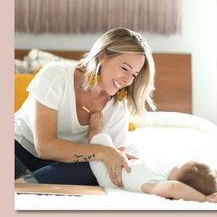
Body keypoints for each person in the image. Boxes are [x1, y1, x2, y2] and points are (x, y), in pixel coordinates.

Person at [15, 28, 156, 186]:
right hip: (18, 150)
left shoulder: (118, 107)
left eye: (134, 75)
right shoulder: (55, 76)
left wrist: (118, 158)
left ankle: (23, 185)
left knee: (98, 169)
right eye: (124, 69)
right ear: (102, 56)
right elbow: (45, 147)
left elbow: (114, 162)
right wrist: (103, 151)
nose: (127, 80)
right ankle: (27, 185)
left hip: (57, 166)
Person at [88, 112, 217, 203]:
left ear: (181, 181)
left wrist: (205, 199)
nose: (178, 164)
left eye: (181, 166)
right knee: (134, 148)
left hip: (108, 172)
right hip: (124, 162)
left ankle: (94, 128)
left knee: (101, 139)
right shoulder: (163, 174)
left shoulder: (158, 185)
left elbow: (174, 188)